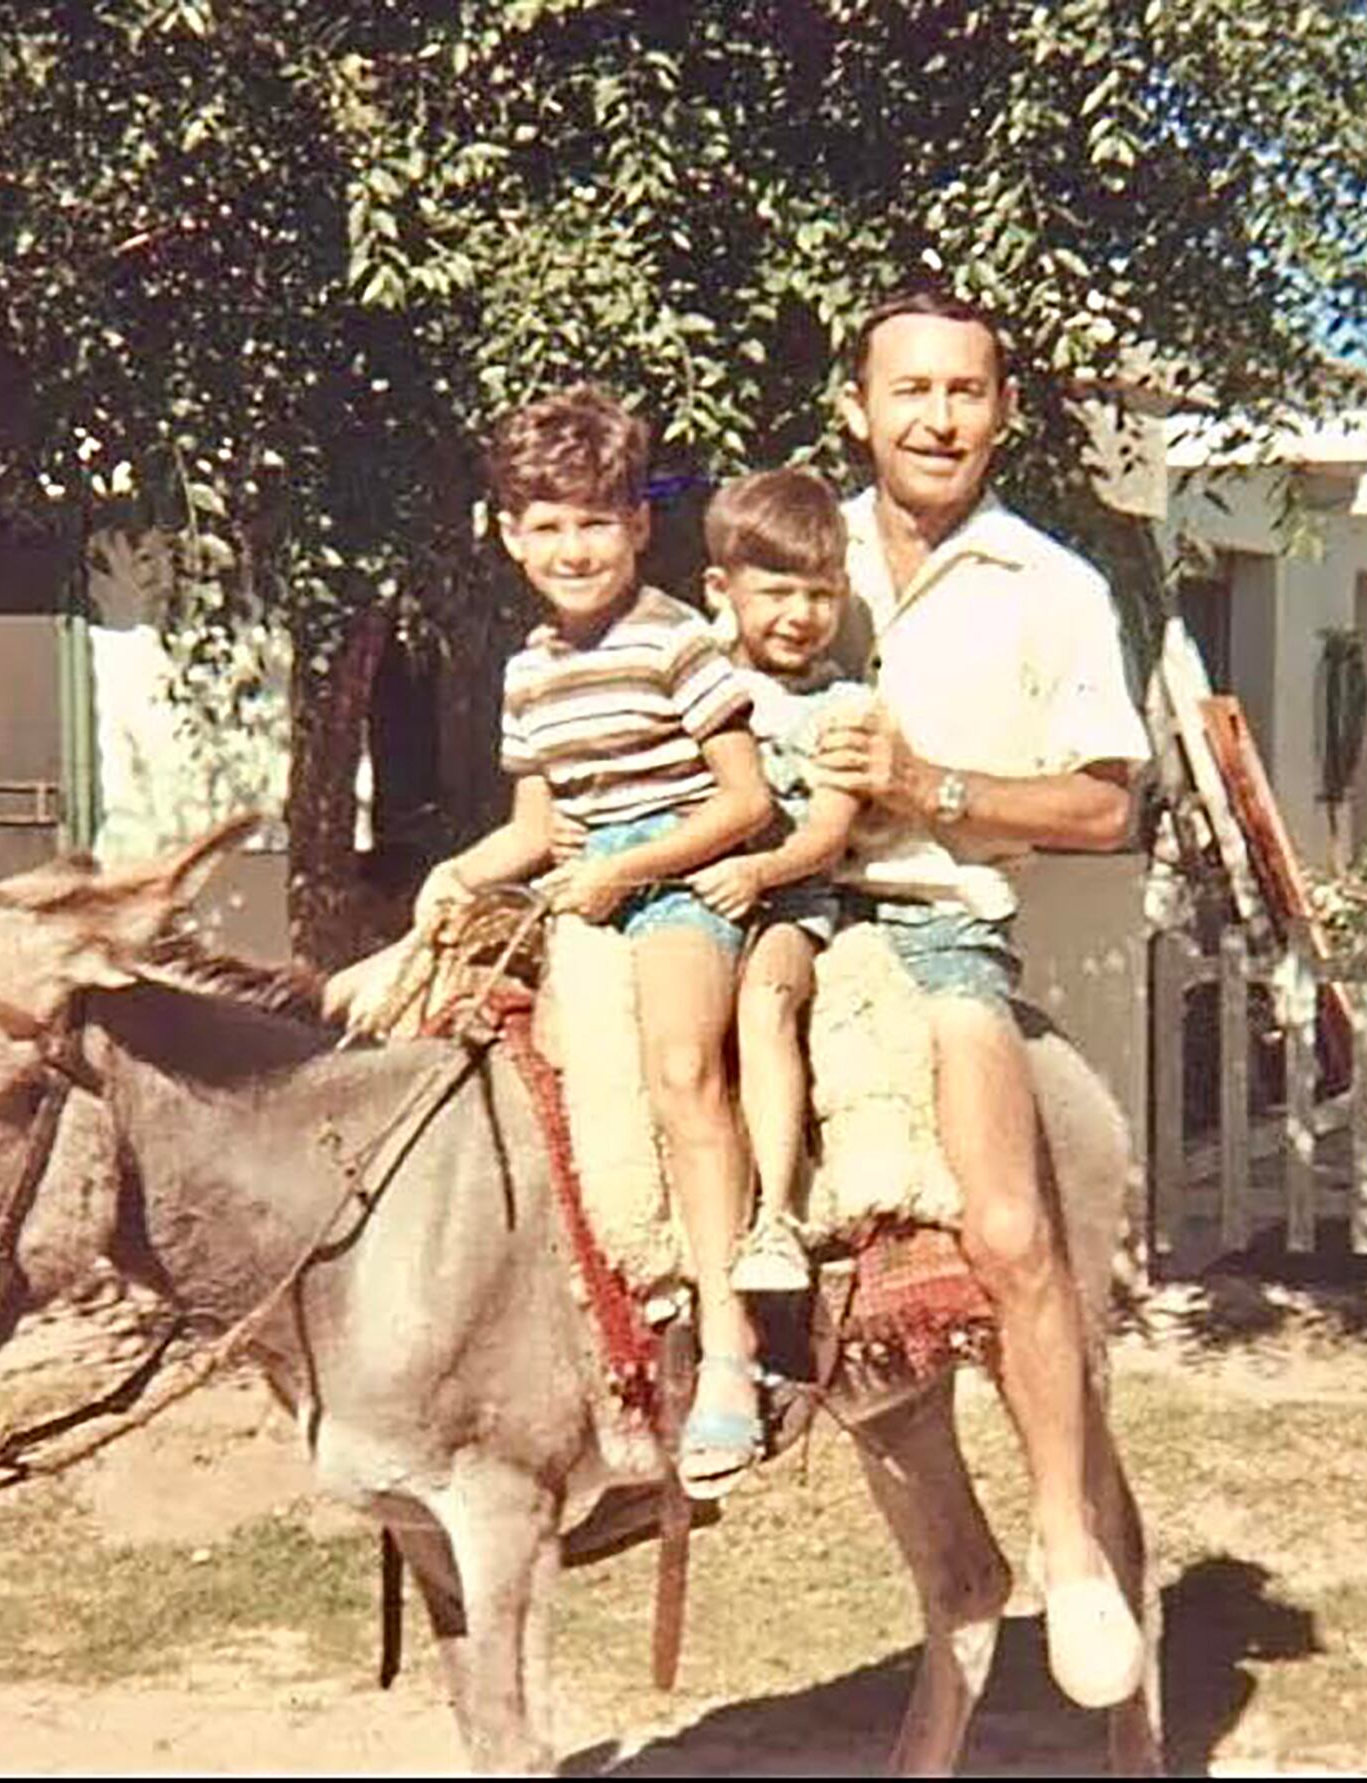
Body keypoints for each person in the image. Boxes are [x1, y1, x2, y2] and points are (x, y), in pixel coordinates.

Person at [813, 287, 1154, 1709]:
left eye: (966, 391)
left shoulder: (1056, 586)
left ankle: (1068, 1539)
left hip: (941, 925)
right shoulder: (788, 549)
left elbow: (1104, 802)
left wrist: (930, 789)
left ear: (1002, 413)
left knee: (1011, 1227)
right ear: (858, 407)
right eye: (910, 390)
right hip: (782, 914)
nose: (937, 417)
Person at [415, 384, 776, 1502]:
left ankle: (729, 1340)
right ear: (511, 535)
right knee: (553, 1087)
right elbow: (535, 826)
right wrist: (455, 873)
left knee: (679, 1067)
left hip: (678, 880)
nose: (573, 548)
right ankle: (605, 1338)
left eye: (595, 521)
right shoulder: (527, 673)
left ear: (636, 524)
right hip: (584, 889)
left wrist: (629, 868)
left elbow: (747, 804)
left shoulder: (676, 642)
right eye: (547, 525)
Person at [684, 468, 869, 1294]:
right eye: (778, 591)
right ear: (722, 588)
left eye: (821, 594)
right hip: (693, 892)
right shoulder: (691, 684)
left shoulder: (842, 706)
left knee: (766, 1002)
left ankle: (775, 1219)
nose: (801, 615)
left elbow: (828, 833)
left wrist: (759, 868)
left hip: (790, 899)